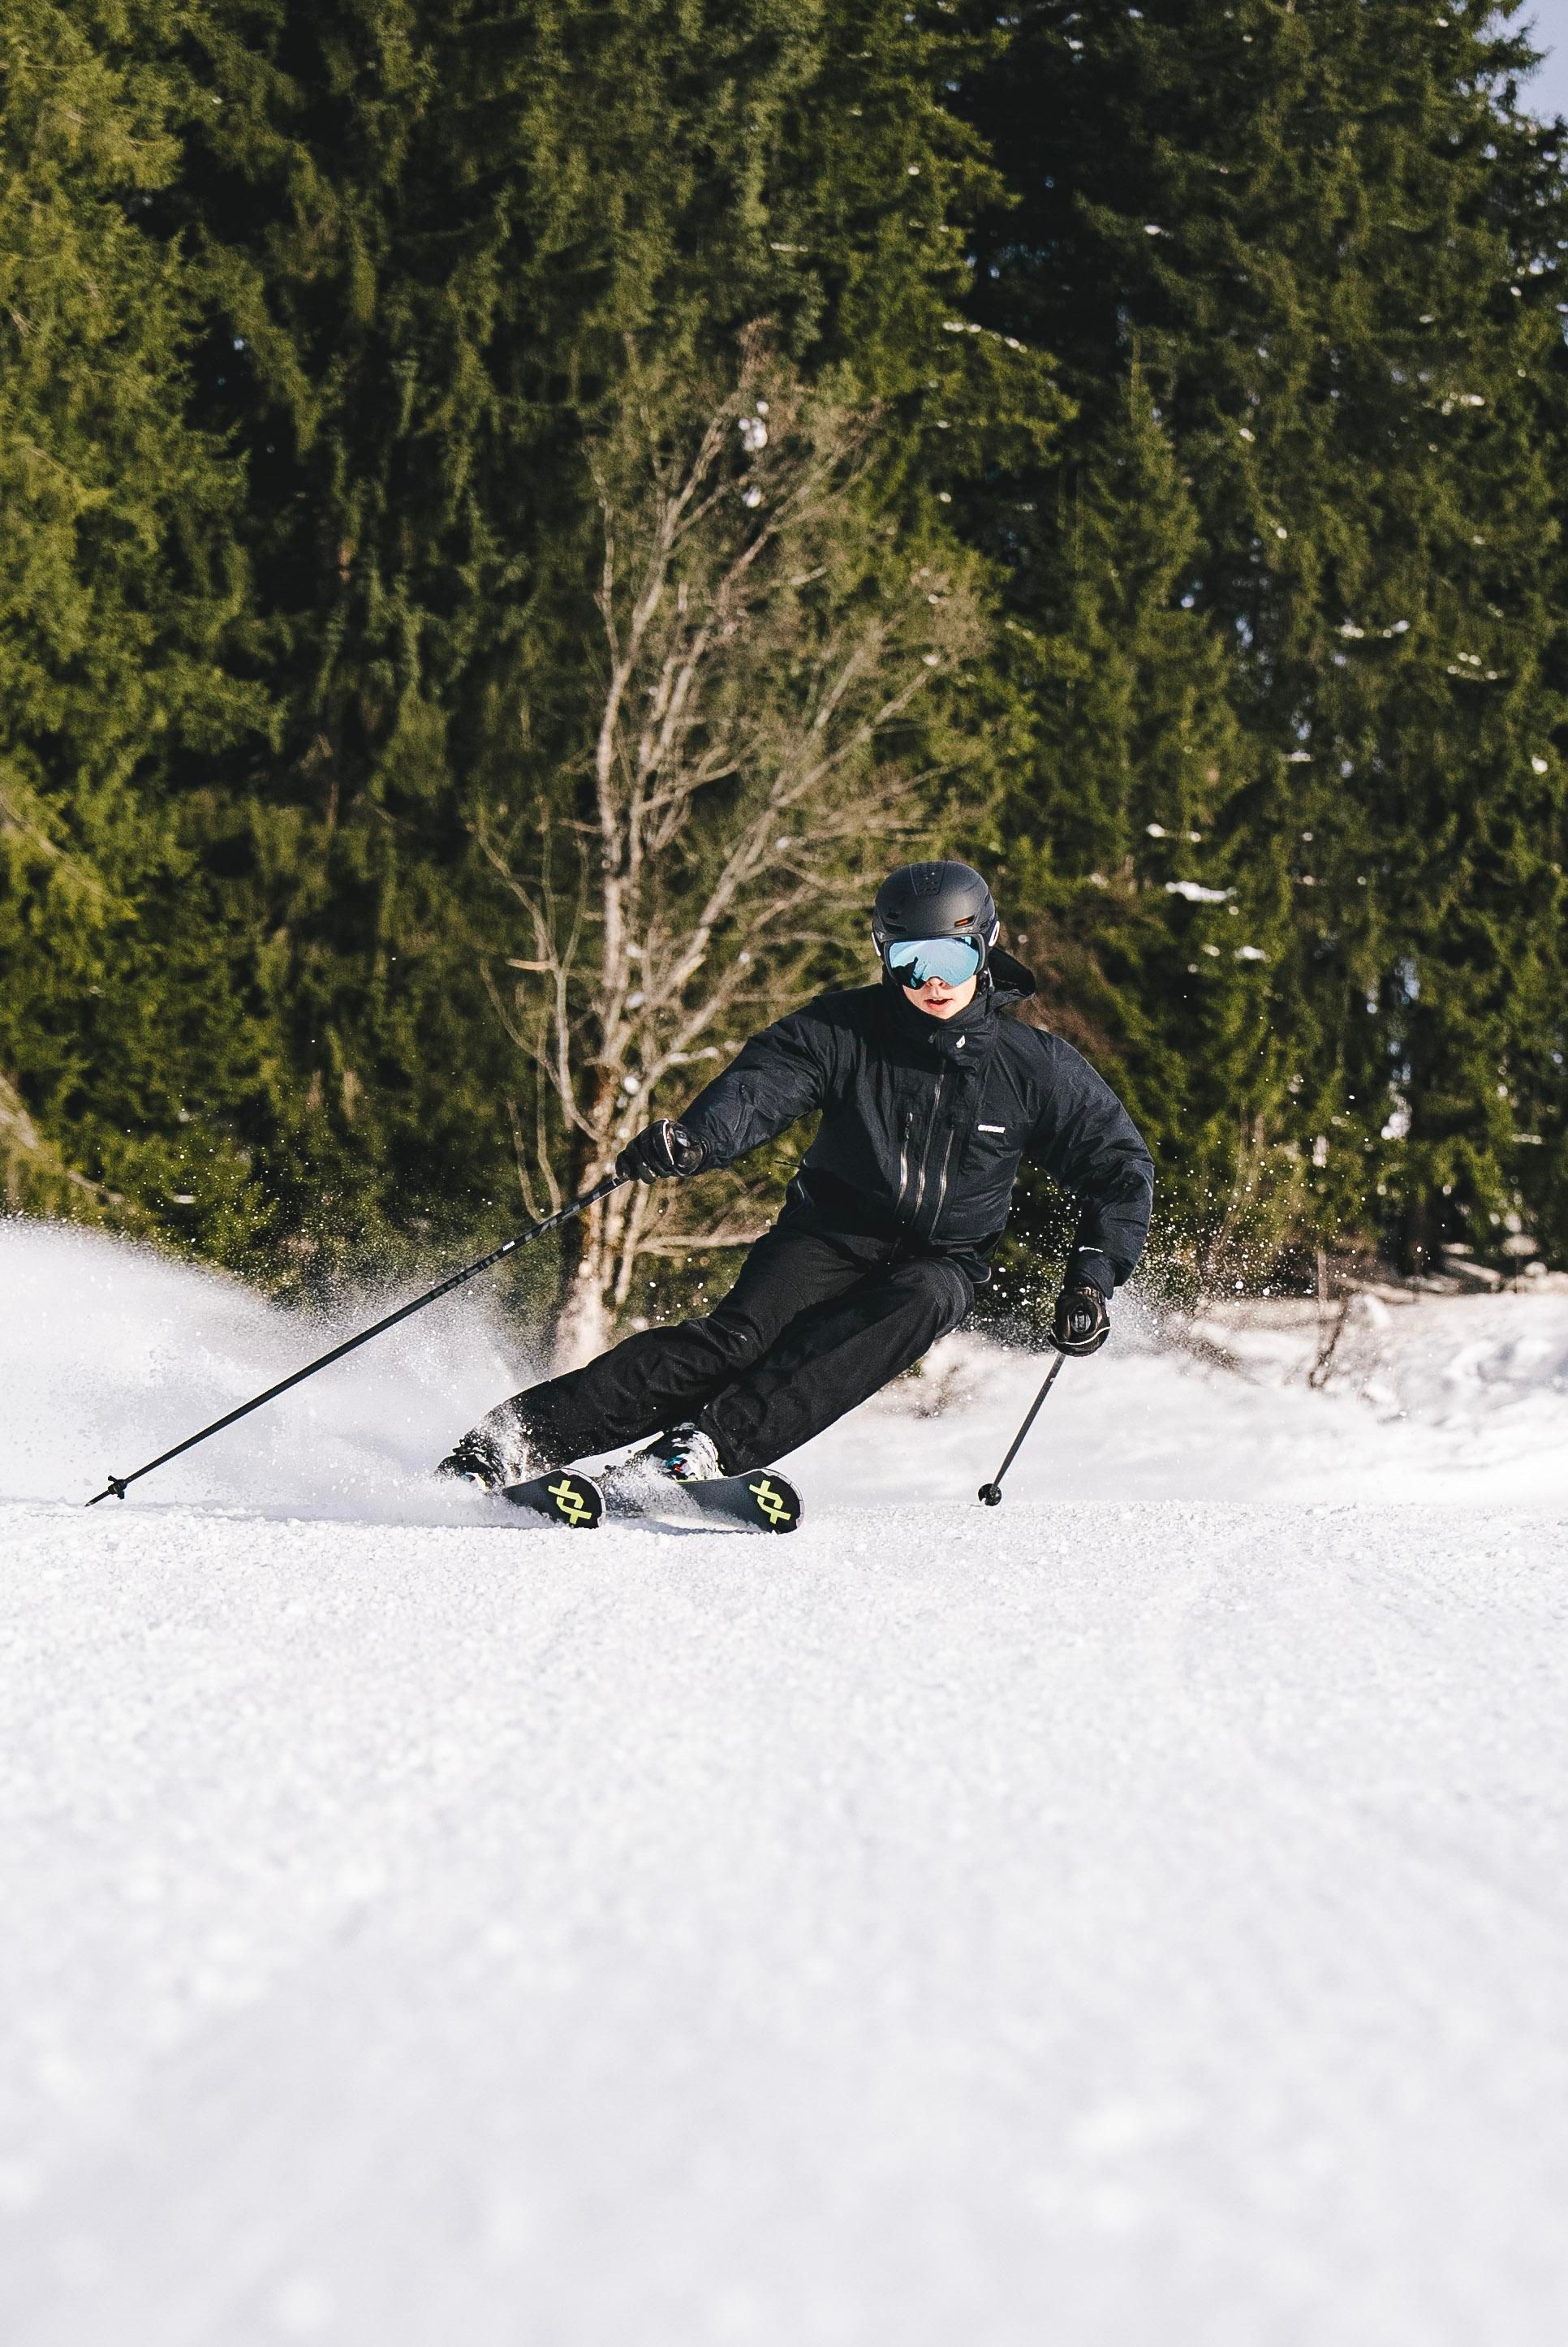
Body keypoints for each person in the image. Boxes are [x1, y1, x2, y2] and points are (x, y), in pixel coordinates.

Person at [438, 859, 1154, 1491]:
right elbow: (764, 1086)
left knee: (923, 1297)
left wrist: (1092, 1275)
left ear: (987, 947)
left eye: (954, 958)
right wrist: (694, 1141)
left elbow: (1119, 1168)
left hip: (943, 1259)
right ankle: (509, 1444)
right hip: (828, 1235)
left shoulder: (1035, 1068)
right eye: (911, 960)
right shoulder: (844, 1030)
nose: (933, 981)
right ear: (884, 955)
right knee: (733, 1343)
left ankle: (708, 1447)